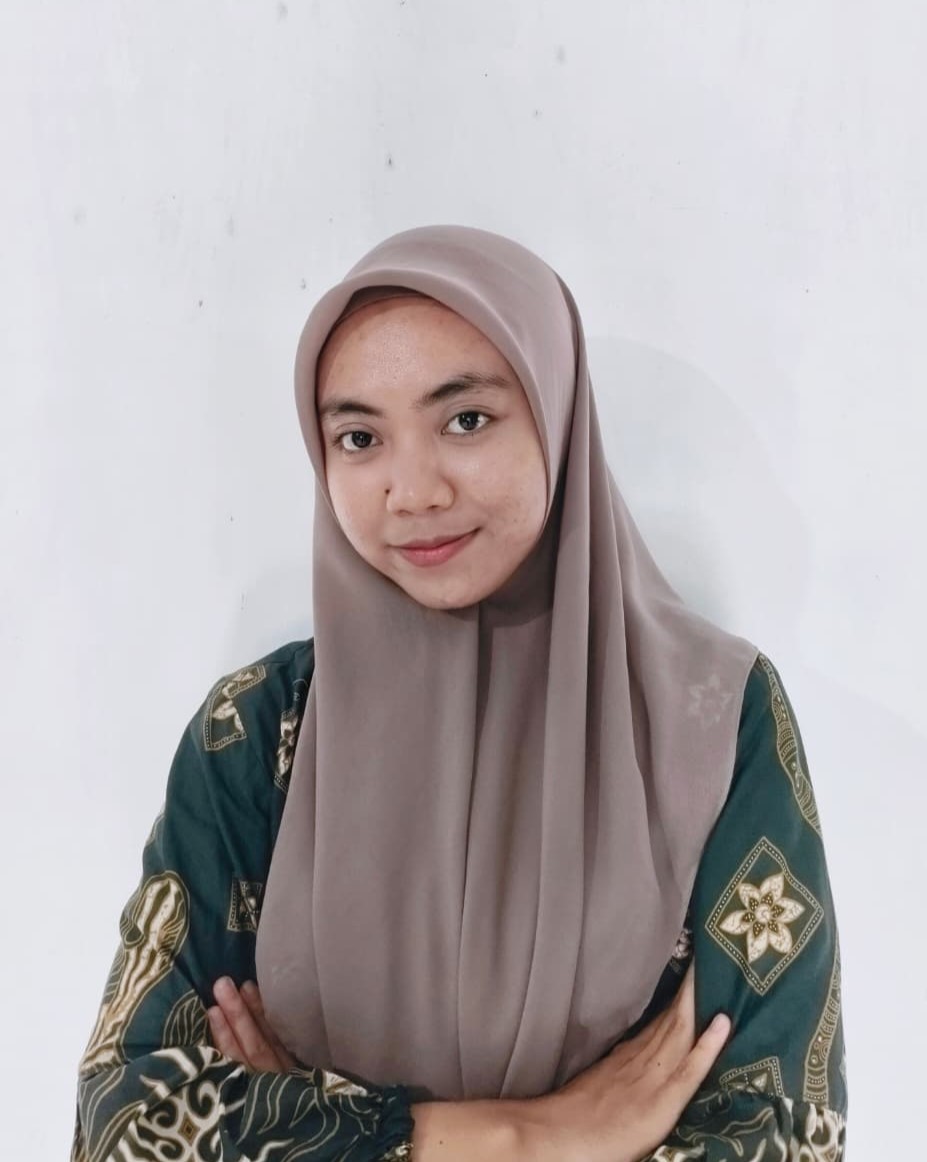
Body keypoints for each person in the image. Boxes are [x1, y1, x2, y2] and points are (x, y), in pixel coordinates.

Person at [72, 225, 847, 1161]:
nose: (411, 491)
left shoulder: (709, 718)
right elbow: (121, 1128)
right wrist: (533, 1135)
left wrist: (297, 1125)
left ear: (556, 417)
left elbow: (783, 1138)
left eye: (466, 420)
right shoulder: (258, 731)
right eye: (359, 438)